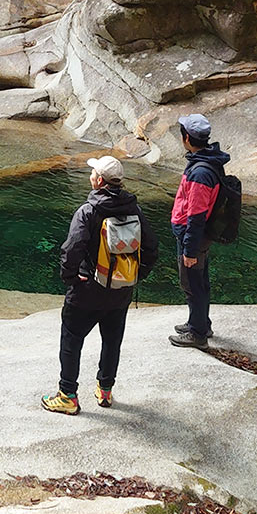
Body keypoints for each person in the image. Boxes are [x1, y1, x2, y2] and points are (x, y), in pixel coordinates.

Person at [42, 155, 159, 415]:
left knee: (71, 340)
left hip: (87, 290)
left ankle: (67, 395)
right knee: (112, 341)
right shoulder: (134, 210)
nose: (90, 176)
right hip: (120, 291)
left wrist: (71, 278)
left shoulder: (89, 211)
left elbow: (71, 249)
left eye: (92, 173)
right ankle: (105, 391)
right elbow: (151, 249)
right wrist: (134, 277)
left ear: (99, 181)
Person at [167, 113, 230, 351]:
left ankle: (198, 334)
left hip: (192, 236)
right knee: (199, 281)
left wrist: (189, 249)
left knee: (192, 283)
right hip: (196, 235)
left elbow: (196, 215)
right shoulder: (206, 161)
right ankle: (200, 322)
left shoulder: (201, 172)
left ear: (186, 138)